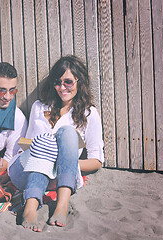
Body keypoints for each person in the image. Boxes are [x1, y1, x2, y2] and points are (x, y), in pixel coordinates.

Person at [8, 55, 104, 232]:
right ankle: (30, 206)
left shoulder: (89, 114)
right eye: (57, 82)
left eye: (68, 82)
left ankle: (61, 205)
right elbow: (27, 145)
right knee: (45, 141)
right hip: (26, 171)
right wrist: (46, 154)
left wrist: (61, 163)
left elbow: (96, 161)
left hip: (59, 177)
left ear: (79, 81)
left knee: (67, 132)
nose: (62, 88)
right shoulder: (39, 106)